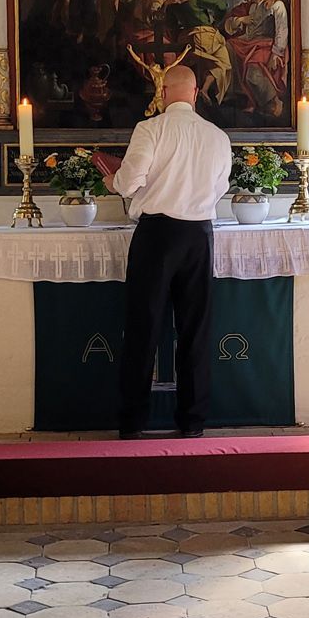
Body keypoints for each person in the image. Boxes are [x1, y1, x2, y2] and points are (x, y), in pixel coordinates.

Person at [93, 66, 232, 439]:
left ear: (166, 91)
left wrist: (112, 180)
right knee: (195, 330)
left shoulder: (150, 129)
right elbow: (220, 188)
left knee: (143, 328)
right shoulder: (217, 137)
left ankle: (133, 422)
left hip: (157, 235)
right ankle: (192, 422)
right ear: (195, 92)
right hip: (199, 235)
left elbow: (128, 181)